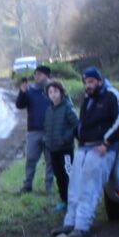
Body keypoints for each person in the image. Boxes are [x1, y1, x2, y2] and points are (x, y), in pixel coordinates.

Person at [54, 67, 119, 237]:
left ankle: (82, 226)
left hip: (101, 149)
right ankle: (70, 223)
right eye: (86, 82)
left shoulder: (111, 96)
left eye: (91, 82)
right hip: (83, 148)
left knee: (89, 189)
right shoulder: (88, 99)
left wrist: (106, 143)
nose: (88, 85)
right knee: (75, 187)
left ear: (99, 81)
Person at [15, 65, 54, 194]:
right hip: (33, 131)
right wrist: (22, 92)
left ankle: (49, 187)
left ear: (47, 75)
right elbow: (19, 105)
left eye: (39, 74)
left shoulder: (53, 90)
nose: (36, 76)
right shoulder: (30, 90)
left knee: (50, 161)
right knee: (31, 159)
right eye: (35, 74)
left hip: (50, 131)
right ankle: (27, 185)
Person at [42, 80, 80, 213]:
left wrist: (66, 139)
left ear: (61, 92)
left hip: (65, 150)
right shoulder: (49, 110)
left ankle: (73, 201)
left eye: (55, 91)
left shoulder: (67, 108)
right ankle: (64, 200)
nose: (53, 95)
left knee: (68, 175)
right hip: (53, 150)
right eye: (50, 92)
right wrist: (46, 140)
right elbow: (46, 128)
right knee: (58, 176)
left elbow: (76, 125)